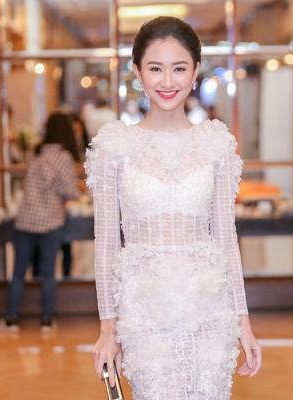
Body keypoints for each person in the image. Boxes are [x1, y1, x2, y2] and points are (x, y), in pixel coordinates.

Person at [86, 16, 262, 399]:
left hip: (209, 313)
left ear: (195, 71)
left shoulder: (216, 145)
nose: (168, 81)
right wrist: (107, 328)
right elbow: (106, 245)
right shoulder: (114, 148)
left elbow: (226, 239)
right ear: (138, 72)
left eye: (179, 68)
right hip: (144, 315)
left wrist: (243, 322)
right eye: (155, 68)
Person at [0, 112, 82, 333]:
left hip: (25, 220)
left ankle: (11, 318)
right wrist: (76, 191)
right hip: (49, 222)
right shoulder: (63, 157)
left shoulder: (35, 153)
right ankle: (46, 320)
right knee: (47, 273)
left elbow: (29, 183)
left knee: (18, 272)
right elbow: (70, 190)